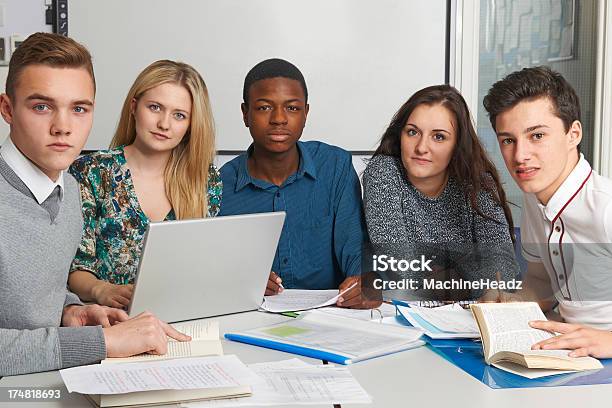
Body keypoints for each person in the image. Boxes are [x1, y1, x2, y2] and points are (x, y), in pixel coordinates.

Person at [0, 33, 189, 377]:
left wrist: (73, 312)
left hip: (52, 381)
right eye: (41, 106)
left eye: (79, 109)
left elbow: (31, 305)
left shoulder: (68, 190)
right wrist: (104, 344)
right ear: (7, 109)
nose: (63, 127)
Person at [219, 58, 376, 308]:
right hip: (251, 320)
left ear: (306, 113)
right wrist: (239, 282)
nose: (279, 119)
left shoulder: (335, 167)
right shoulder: (219, 186)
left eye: (292, 108)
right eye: (264, 108)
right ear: (245, 113)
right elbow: (215, 271)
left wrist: (365, 283)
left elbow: (355, 249)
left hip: (331, 318)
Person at [67, 60, 222, 308]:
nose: (164, 124)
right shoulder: (92, 172)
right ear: (134, 107)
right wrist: (101, 289)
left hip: (183, 316)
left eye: (179, 115)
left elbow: (204, 266)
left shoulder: (205, 179)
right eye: (155, 107)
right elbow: (75, 268)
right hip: (110, 321)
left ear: (191, 125)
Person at [483, 66, 612, 355]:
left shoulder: (605, 207)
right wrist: (507, 302)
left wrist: (609, 341)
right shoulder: (535, 198)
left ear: (573, 134)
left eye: (537, 136)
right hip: (568, 354)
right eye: (508, 140)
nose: (520, 155)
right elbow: (541, 282)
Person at [362, 85, 519, 301]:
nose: (421, 147)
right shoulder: (384, 171)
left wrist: (456, 279)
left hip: (466, 314)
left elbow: (502, 265)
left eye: (439, 137)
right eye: (412, 132)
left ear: (457, 144)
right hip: (400, 311)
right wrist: (461, 275)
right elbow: (398, 264)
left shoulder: (477, 182)